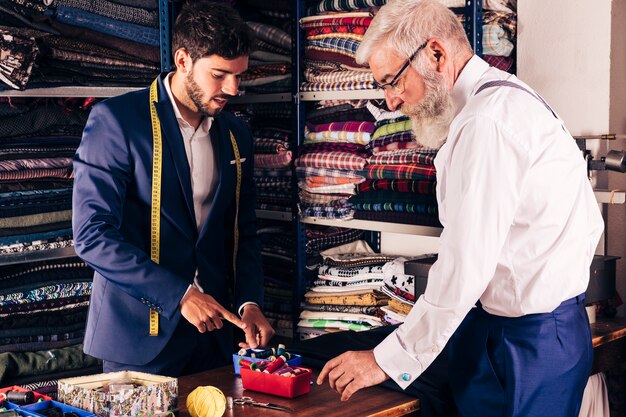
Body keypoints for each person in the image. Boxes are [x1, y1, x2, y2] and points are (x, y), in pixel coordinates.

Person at [316, 1, 604, 416]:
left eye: (392, 81)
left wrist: (384, 360)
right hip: (521, 332)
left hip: (529, 343)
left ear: (435, 53)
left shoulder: (487, 123)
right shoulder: (500, 100)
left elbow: (467, 264)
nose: (391, 101)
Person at [72, 1, 274, 377]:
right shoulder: (117, 122)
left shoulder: (236, 134)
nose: (233, 88)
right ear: (183, 60)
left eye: (239, 75)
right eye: (219, 75)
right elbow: (92, 235)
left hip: (215, 337)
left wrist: (250, 303)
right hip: (138, 339)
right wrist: (180, 295)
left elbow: (244, 233)